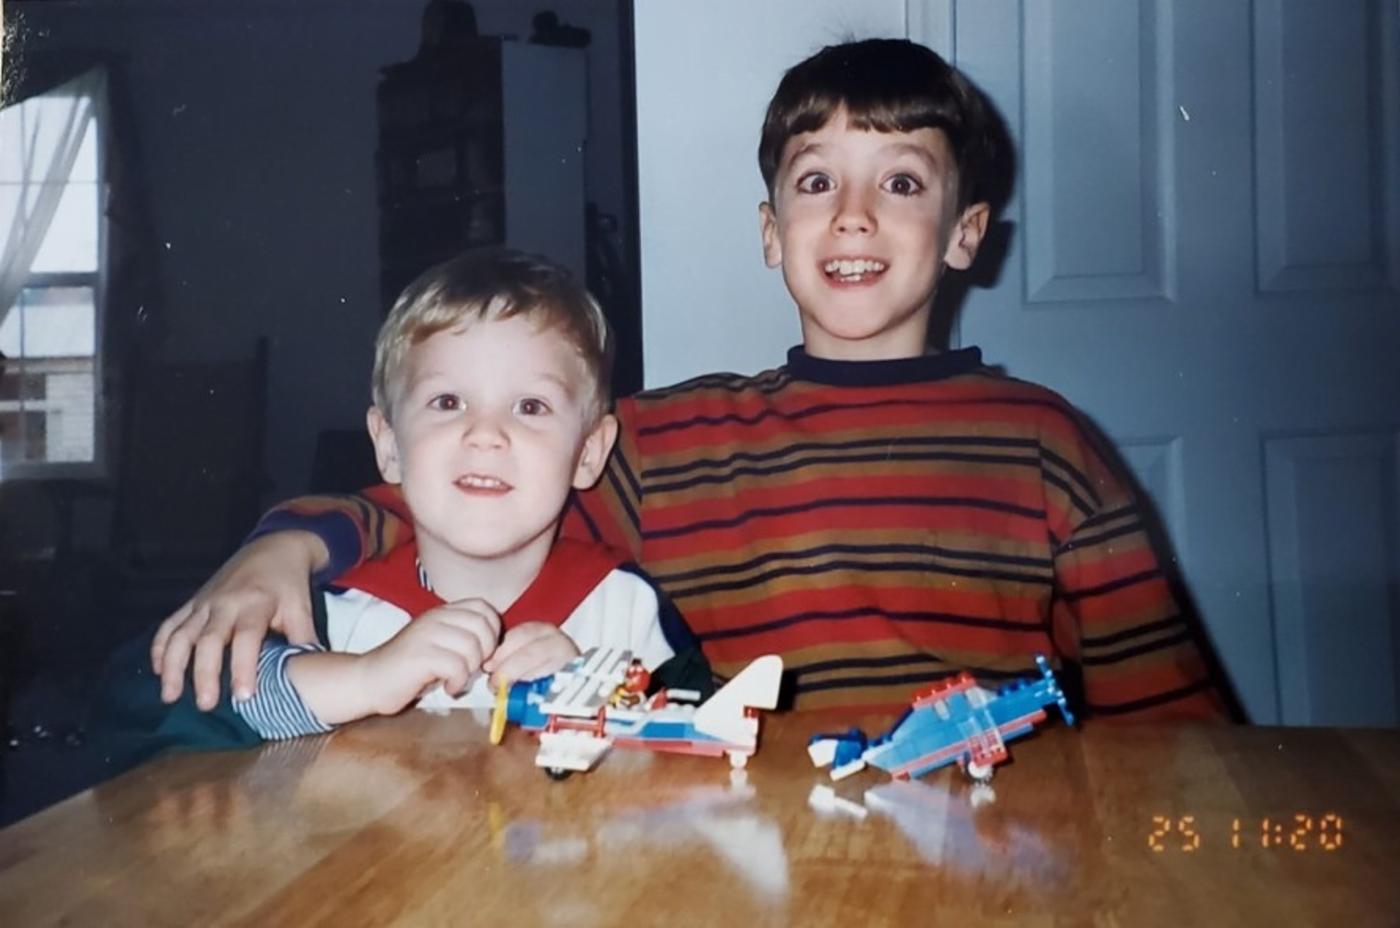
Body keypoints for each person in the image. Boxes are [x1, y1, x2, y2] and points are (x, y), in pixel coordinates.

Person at [151, 39, 1230, 721]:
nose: (852, 215)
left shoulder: (1047, 443)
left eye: (901, 181)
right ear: (772, 231)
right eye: (816, 181)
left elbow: (1169, 723)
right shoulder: (667, 438)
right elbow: (445, 491)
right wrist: (279, 546)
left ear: (964, 235)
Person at [102, 249, 697, 757]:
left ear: (590, 452)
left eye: (530, 407)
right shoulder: (333, 612)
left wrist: (594, 696)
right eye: (447, 402)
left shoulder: (626, 610)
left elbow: (706, 745)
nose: (485, 433)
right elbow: (131, 704)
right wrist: (361, 679)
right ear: (388, 446)